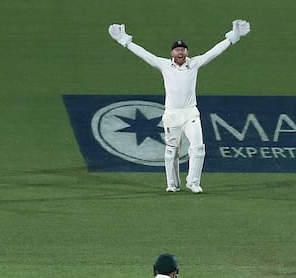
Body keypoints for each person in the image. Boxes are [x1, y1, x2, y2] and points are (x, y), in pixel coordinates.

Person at [107, 19, 251, 193]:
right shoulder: (164, 65)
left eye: (182, 50)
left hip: (190, 113)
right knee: (171, 152)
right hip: (172, 115)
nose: (180, 52)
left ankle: (193, 182)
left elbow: (214, 52)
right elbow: (145, 55)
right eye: (177, 50)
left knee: (198, 148)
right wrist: (124, 40)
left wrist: (233, 37)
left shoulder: (195, 63)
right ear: (172, 53)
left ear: (187, 52)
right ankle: (172, 184)